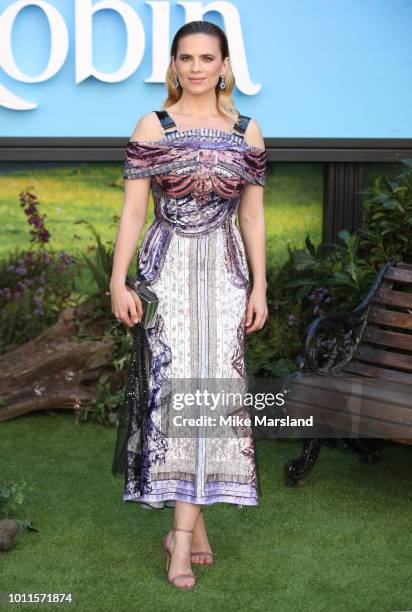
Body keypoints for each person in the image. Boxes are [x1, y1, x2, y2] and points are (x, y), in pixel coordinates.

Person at [110, 20, 267, 589]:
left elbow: (251, 216)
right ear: (173, 65)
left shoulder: (248, 132)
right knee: (176, 392)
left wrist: (260, 287)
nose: (197, 68)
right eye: (186, 58)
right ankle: (184, 537)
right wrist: (117, 280)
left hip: (225, 274)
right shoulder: (154, 125)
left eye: (207, 58)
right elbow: (133, 211)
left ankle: (187, 526)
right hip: (167, 271)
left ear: (225, 65)